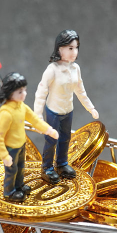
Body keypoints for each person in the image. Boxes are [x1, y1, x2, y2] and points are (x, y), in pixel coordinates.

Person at [34, 29, 99, 184]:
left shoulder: (76, 69)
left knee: (65, 138)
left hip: (68, 111)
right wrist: (38, 117)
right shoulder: (52, 70)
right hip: (53, 111)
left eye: (76, 48)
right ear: (60, 48)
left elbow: (80, 91)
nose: (74, 52)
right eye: (70, 48)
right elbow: (41, 92)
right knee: (51, 140)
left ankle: (62, 163)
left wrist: (90, 108)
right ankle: (47, 168)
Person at [0, 72, 59, 202]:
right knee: (11, 170)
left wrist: (48, 130)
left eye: (24, 90)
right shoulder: (6, 113)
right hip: (10, 148)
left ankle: (19, 186)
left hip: (21, 145)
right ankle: (9, 192)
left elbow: (34, 120)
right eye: (20, 92)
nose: (24, 94)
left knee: (21, 167)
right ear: (10, 93)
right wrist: (4, 155)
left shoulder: (22, 107)